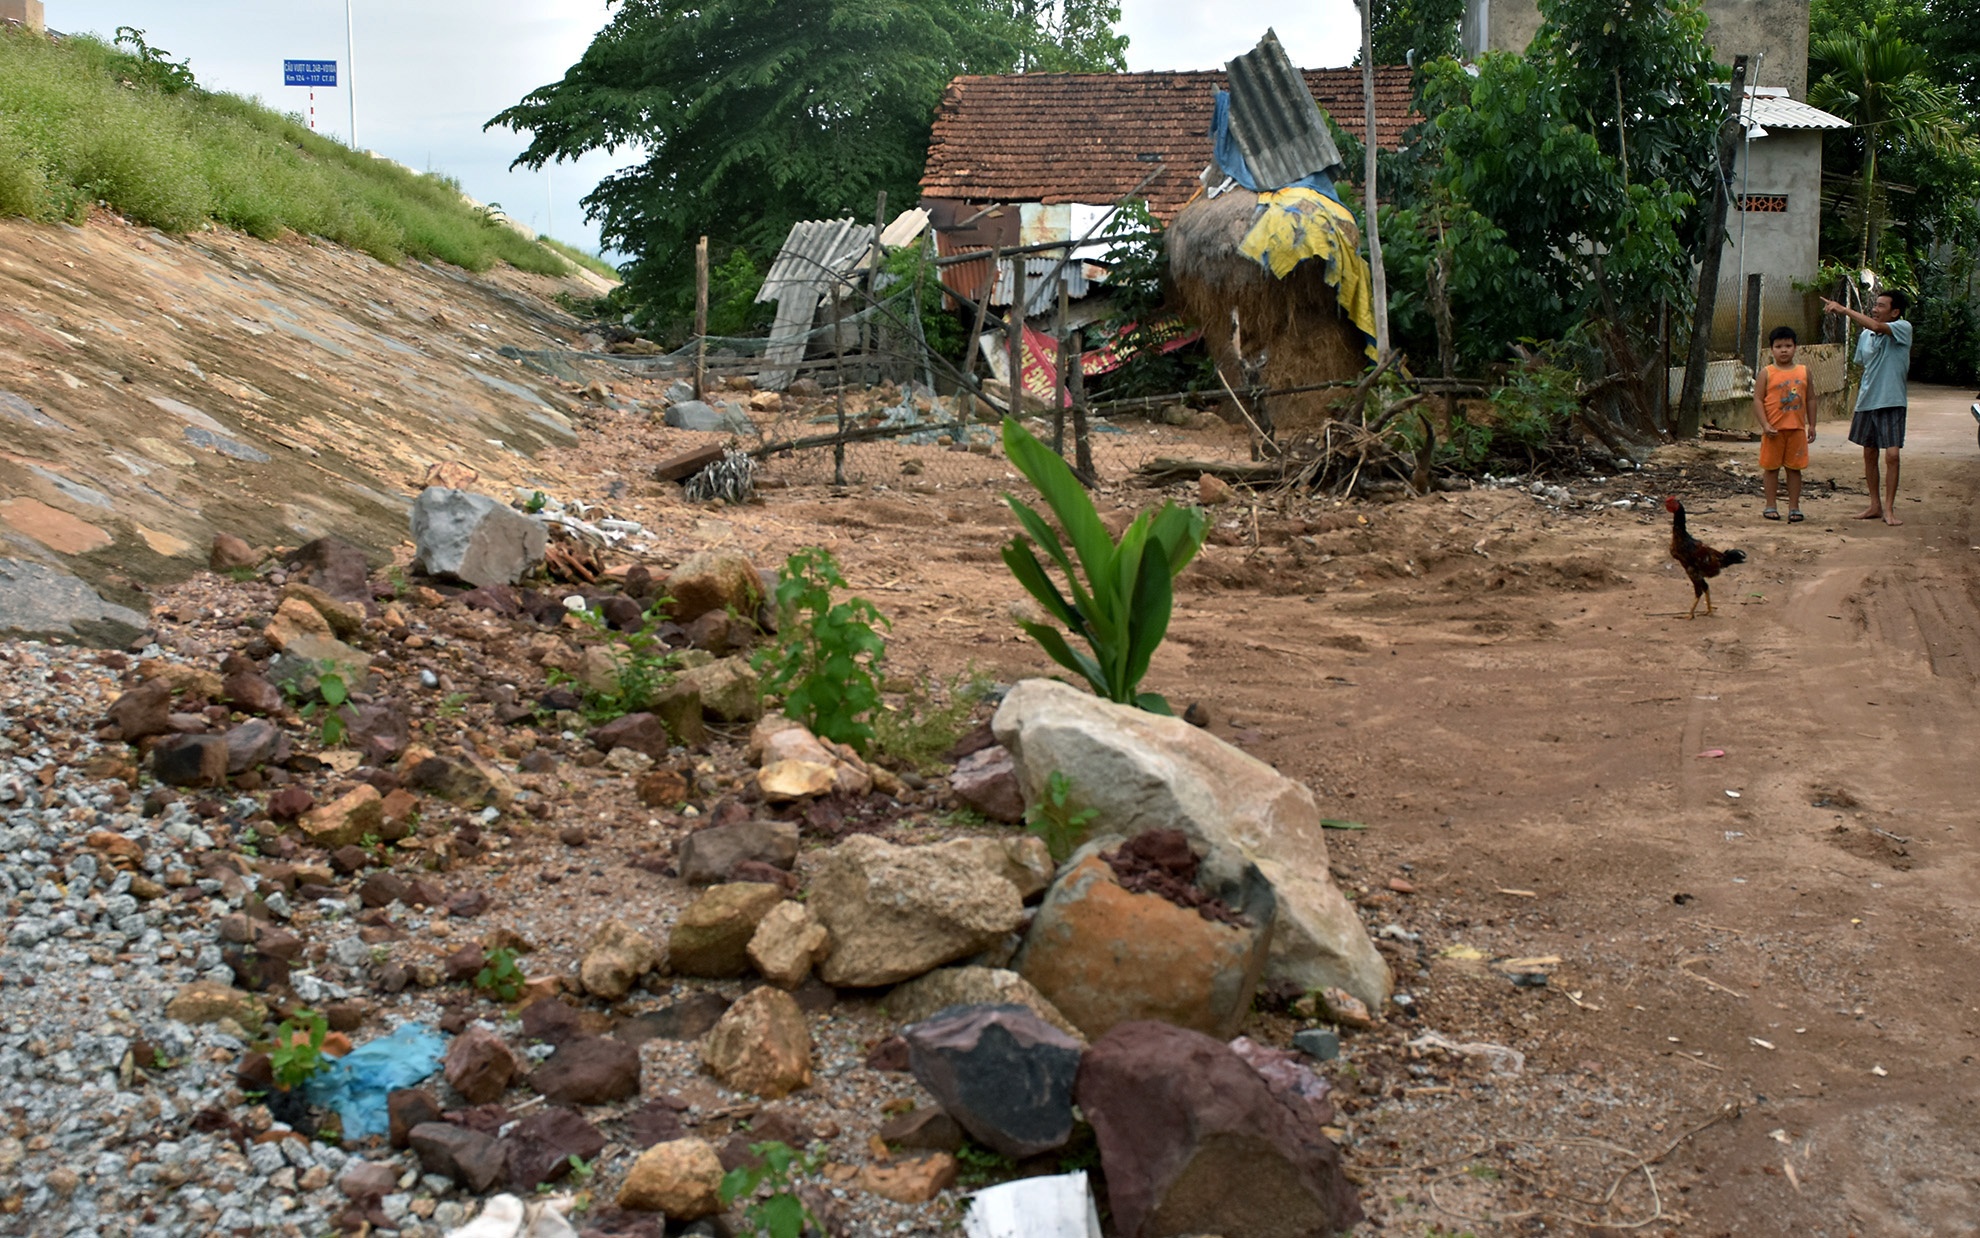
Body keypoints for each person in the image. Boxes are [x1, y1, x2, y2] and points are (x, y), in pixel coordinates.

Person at [1821, 288, 1914, 526]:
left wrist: (1844, 310)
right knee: (1869, 453)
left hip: (1892, 400)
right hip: (1867, 401)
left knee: (1892, 455)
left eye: (1881, 306)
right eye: (1875, 305)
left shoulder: (1903, 327)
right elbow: (1865, 363)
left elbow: (1877, 327)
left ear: (1895, 312)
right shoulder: (1865, 336)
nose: (1875, 309)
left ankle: (1889, 509)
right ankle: (1875, 505)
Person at [1751, 325, 1815, 522]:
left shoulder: (1804, 372)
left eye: (1788, 346)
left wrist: (1812, 425)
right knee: (1771, 468)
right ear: (1771, 349)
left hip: (1797, 430)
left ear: (1795, 347)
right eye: (1779, 346)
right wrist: (1765, 425)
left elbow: (1811, 399)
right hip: (1773, 431)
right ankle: (1770, 505)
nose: (1784, 350)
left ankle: (1794, 507)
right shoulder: (1766, 373)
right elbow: (1758, 400)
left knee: (1794, 469)